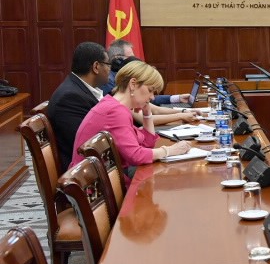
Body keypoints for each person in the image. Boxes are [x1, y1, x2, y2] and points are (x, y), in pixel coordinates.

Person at [70, 60, 192, 185]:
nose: (152, 97)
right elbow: (136, 156)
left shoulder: (115, 106)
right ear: (133, 84)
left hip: (99, 181)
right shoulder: (115, 111)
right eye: (150, 90)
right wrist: (169, 151)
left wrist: (147, 113)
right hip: (92, 186)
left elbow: (147, 143)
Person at [48, 42, 111, 173]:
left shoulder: (79, 89)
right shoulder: (70, 98)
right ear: (96, 67)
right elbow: (88, 145)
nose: (109, 69)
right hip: (84, 172)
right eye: (108, 64)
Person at [103, 42, 192, 108]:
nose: (134, 60)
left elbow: (146, 98)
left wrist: (177, 99)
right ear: (117, 60)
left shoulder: (124, 78)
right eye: (130, 57)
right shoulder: (108, 80)